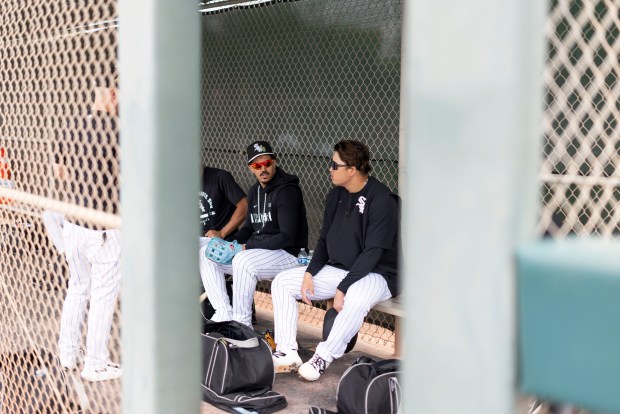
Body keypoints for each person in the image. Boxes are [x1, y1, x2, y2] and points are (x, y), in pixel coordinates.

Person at [270, 139, 400, 381]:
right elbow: (323, 240)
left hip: (379, 273)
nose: (329, 168)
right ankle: (287, 352)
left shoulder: (381, 199)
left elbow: (373, 252)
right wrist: (309, 273)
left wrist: (342, 288)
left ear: (352, 169)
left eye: (335, 165)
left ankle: (323, 357)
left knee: (357, 296)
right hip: (342, 269)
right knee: (283, 282)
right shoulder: (336, 195)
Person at [54, 74, 122, 382]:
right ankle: (96, 364)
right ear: (112, 93)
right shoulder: (118, 130)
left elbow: (61, 172)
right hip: (103, 225)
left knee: (77, 287)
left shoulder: (69, 125)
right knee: (103, 295)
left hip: (73, 222)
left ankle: (68, 353)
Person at [199, 140, 308, 325]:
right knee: (206, 254)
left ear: (274, 162)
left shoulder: (287, 191)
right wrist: (231, 244)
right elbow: (249, 228)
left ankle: (242, 323)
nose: (262, 169)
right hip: (261, 251)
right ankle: (223, 312)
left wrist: (244, 247)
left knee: (243, 261)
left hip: (288, 253)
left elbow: (287, 236)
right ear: (251, 168)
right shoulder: (255, 191)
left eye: (266, 163)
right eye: (257, 165)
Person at [198, 166, 247, 309]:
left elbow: (244, 206)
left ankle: (222, 311)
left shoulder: (220, 176)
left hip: (219, 242)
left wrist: (222, 232)